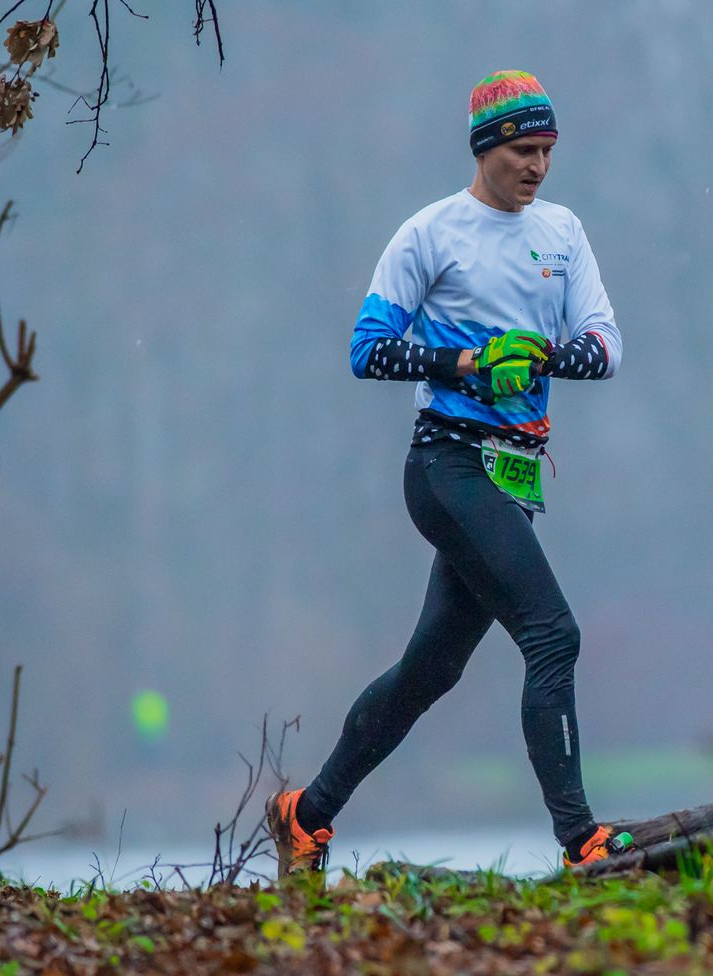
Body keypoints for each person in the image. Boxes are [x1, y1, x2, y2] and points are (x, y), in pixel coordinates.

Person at [265, 70, 631, 877]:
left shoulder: (563, 232)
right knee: (552, 634)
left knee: (430, 669)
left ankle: (306, 813)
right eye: (524, 151)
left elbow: (605, 346)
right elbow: (367, 350)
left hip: (514, 476)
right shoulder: (430, 234)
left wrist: (542, 356)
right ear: (486, 149)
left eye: (547, 152)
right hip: (446, 467)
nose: (538, 168)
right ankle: (582, 842)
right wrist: (466, 361)